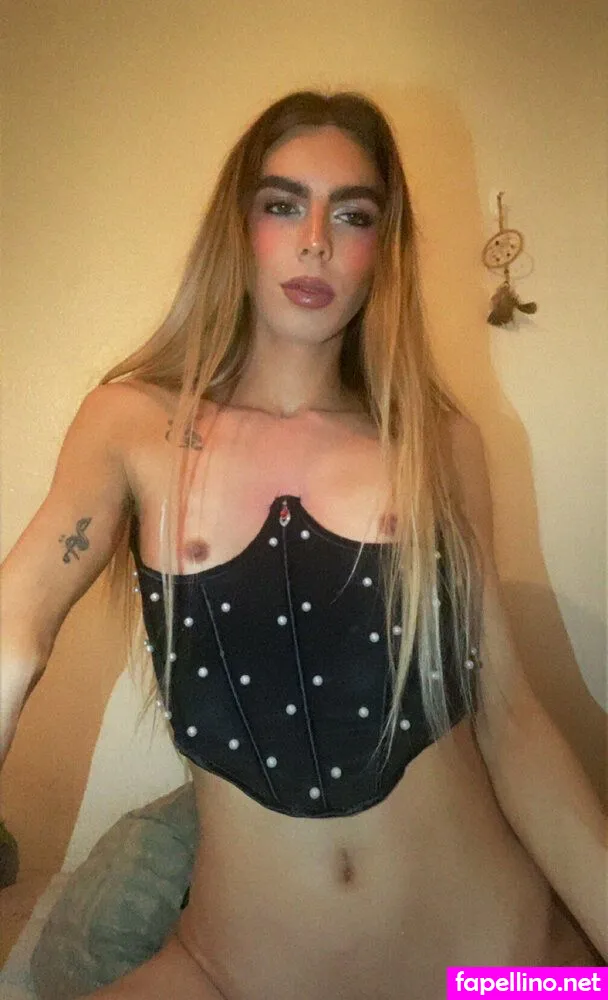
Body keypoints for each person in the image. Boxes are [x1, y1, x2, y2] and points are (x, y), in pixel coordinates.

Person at [1, 90, 606, 1000]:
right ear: (237, 229)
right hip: (236, 974)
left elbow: (511, 720)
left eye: (352, 215)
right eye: (283, 205)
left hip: (492, 971)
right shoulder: (130, 424)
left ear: (381, 249)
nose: (315, 240)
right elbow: (14, 628)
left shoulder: (440, 443)